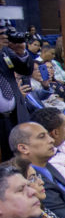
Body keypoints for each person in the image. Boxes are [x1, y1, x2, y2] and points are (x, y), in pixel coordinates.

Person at [0, 30, 36, 161]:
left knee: (18, 159)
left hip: (13, 116)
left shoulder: (4, 51)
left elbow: (25, 70)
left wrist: (20, 52)